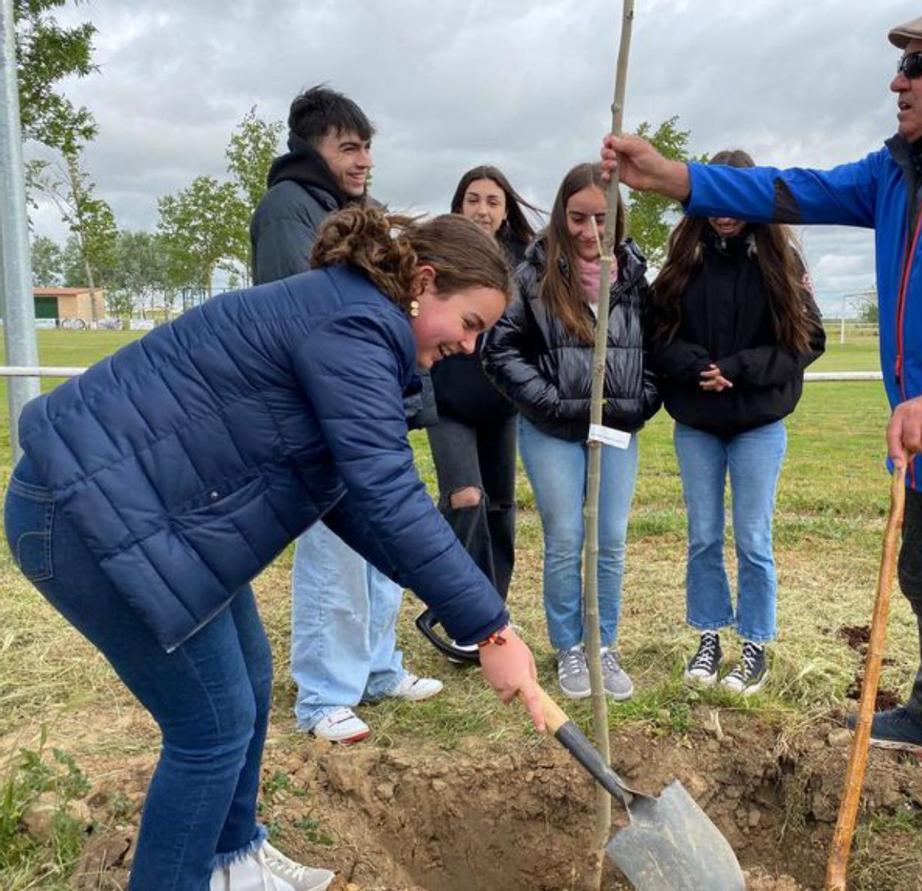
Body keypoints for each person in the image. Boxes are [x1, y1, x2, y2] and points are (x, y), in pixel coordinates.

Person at [602, 3, 922, 889]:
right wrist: (678, 179)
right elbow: (791, 189)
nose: (897, 80)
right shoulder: (896, 171)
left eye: (918, 63)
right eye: (900, 64)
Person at [5, 207, 545, 891]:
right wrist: (488, 626)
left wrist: (469, 612)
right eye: (469, 324)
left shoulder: (354, 318)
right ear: (425, 281)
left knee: (251, 681)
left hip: (149, 514)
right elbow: (385, 486)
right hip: (80, 513)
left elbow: (352, 499)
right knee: (210, 727)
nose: (469, 347)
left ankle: (234, 860)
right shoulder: (357, 325)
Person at [251, 85, 442, 745]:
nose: (363, 160)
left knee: (380, 544)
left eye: (367, 148)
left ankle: (378, 667)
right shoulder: (287, 208)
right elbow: (297, 309)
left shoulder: (360, 210)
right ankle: (324, 695)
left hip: (374, 401)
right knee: (334, 551)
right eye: (349, 147)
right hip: (324, 407)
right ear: (314, 147)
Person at [482, 162, 660, 701]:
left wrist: (638, 401)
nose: (589, 231)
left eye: (601, 218)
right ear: (561, 214)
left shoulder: (632, 279)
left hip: (616, 431)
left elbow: (659, 351)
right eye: (578, 217)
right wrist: (553, 404)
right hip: (553, 430)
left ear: (618, 219)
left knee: (609, 539)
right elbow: (499, 351)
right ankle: (569, 647)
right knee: (565, 538)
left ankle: (602, 642)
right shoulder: (532, 276)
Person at [651, 149, 826, 695]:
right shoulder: (682, 262)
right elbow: (655, 335)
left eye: (735, 198)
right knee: (703, 536)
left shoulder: (782, 265)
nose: (724, 212)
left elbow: (807, 341)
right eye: (714, 199)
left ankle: (754, 644)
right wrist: (696, 368)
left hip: (757, 423)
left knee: (752, 538)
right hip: (698, 424)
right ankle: (708, 637)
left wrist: (738, 370)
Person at [415, 166, 540, 662]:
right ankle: (462, 611)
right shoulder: (440, 259)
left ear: (506, 209)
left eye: (493, 201)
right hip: (447, 404)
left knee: (499, 510)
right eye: (473, 199)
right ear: (458, 204)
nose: (482, 209)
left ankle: (493, 614)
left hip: (500, 406)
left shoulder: (523, 265)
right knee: (465, 499)